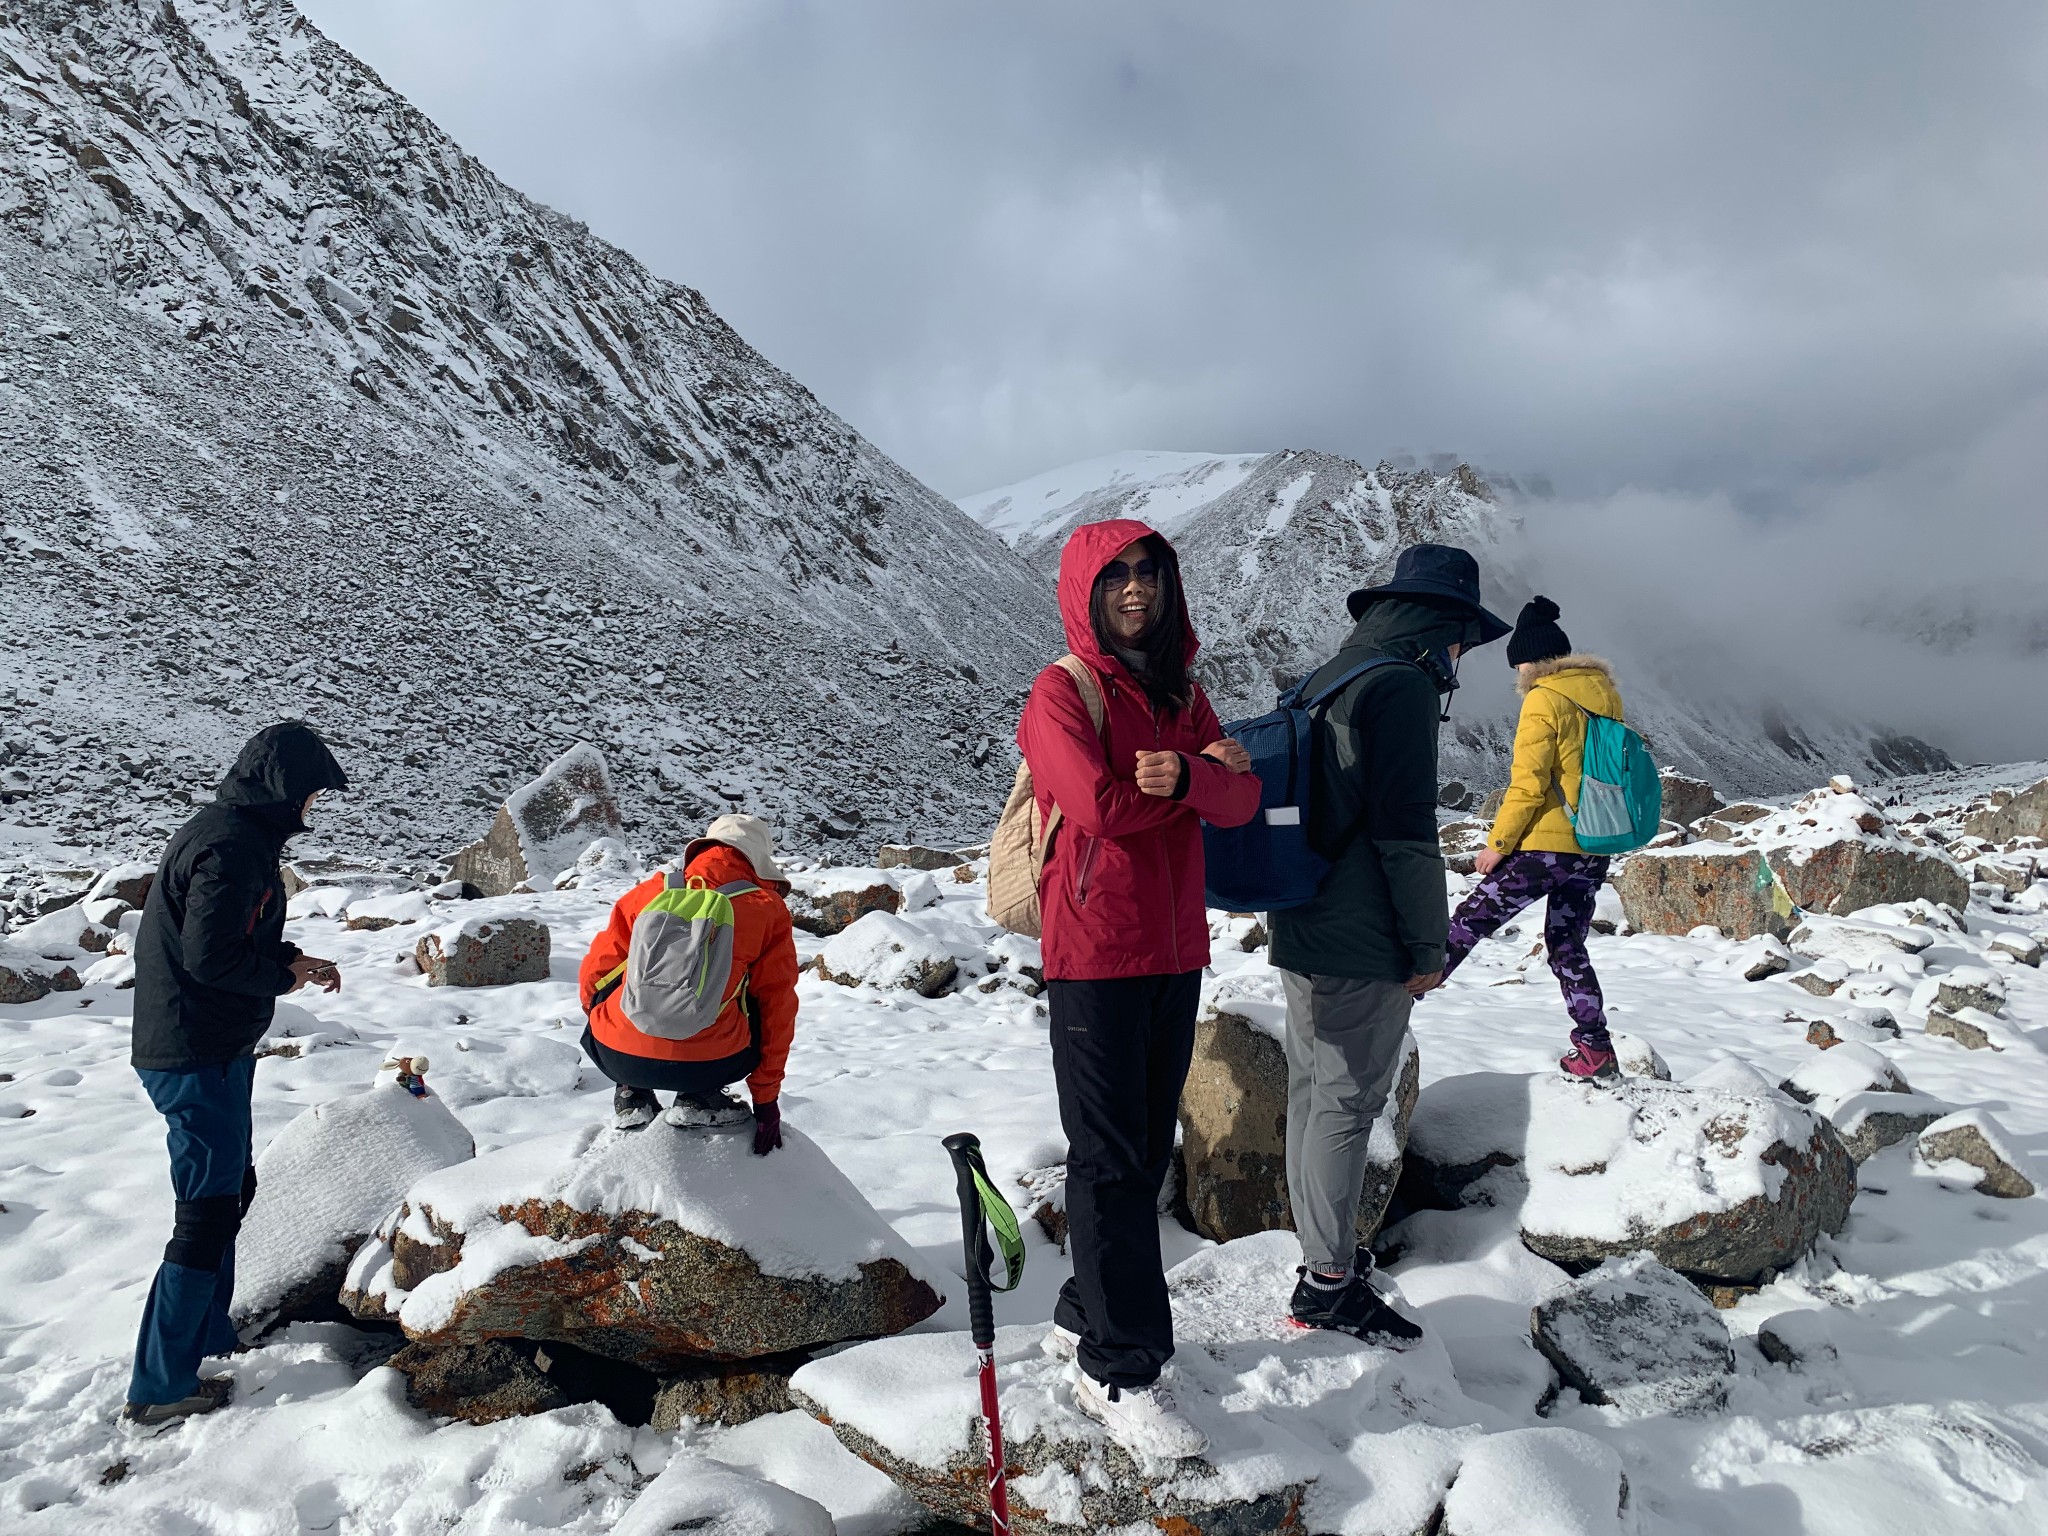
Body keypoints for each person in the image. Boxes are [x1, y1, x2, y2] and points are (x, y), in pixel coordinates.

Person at [1018, 518, 1260, 1461]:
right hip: (1094, 954)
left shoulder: (1181, 693)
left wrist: (1196, 774)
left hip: (1173, 952)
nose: (1134, 590)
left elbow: (1242, 804)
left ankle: (1084, 1313)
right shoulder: (1060, 692)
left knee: (1143, 1151)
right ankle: (1120, 1368)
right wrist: (1193, 784)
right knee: (1110, 1156)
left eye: (1148, 574)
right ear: (1085, 589)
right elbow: (1101, 810)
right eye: (1115, 576)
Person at [1267, 544, 1507, 1345]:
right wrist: (1427, 944)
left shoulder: (1331, 677)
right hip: (1362, 931)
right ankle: (1328, 1282)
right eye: (1463, 640)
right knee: (1344, 1102)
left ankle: (1322, 1257)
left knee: (1312, 1093)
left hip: (1302, 915)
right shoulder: (1400, 687)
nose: (1462, 656)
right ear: (1442, 627)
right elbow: (1406, 834)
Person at [125, 720, 349, 1431]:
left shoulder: (232, 835)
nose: (313, 809)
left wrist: (288, 958)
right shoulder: (229, 846)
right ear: (284, 790)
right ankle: (159, 1387)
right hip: (195, 1051)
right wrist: (280, 973)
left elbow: (228, 938)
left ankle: (208, 1336)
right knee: (206, 1214)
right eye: (312, 795)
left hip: (208, 1045)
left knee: (229, 1190)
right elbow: (208, 958)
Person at [1436, 596, 1625, 1080]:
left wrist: (1498, 844)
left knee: (1469, 920)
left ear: (1532, 660)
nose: (1516, 672)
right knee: (1567, 945)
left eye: (1517, 662)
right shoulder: (1604, 695)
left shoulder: (1545, 697)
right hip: (1592, 844)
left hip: (1545, 847)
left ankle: (1399, 1002)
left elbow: (1528, 783)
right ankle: (1595, 1048)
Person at [578, 813, 798, 1151]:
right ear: (758, 860)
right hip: (711, 1064)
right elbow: (776, 1008)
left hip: (614, 1053)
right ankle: (700, 1099)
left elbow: (596, 974)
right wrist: (766, 1101)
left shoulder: (648, 892)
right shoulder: (766, 910)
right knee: (752, 997)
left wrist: (604, 1023)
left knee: (622, 990)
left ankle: (630, 1092)